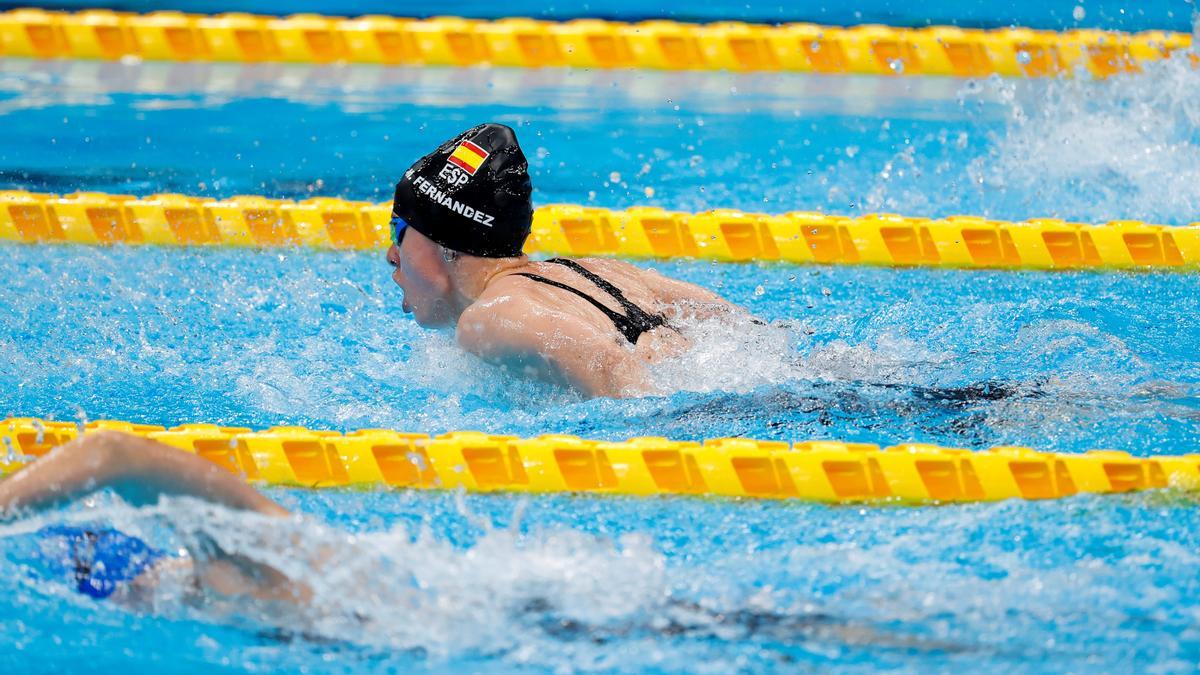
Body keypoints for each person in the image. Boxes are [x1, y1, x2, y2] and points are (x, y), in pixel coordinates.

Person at [386, 122, 744, 398]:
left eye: (397, 230)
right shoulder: (590, 270)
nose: (391, 256)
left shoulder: (489, 318)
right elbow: (736, 325)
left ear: (447, 241)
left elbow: (613, 369)